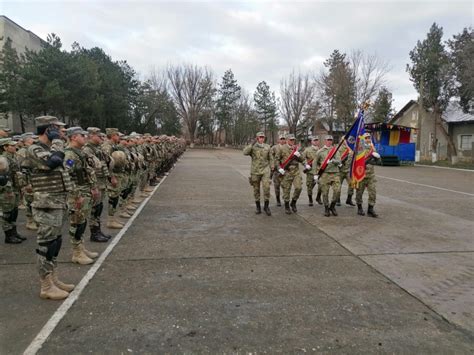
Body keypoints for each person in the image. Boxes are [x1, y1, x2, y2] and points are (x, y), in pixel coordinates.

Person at [27, 116, 74, 300]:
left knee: (56, 243)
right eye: (59, 130)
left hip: (57, 202)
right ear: (49, 130)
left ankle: (53, 278)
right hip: (45, 204)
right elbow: (52, 162)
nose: (63, 133)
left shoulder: (54, 148)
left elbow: (66, 165)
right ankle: (46, 285)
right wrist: (57, 142)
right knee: (46, 245)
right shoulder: (33, 149)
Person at [64, 127, 101, 265]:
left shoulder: (78, 153)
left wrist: (92, 187)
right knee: (76, 223)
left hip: (84, 191)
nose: (85, 137)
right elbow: (66, 176)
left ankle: (81, 248)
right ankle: (76, 253)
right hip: (77, 193)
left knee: (82, 221)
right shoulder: (69, 155)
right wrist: (77, 195)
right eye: (82, 135)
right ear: (73, 137)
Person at [83, 127, 112, 242]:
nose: (101, 137)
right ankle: (94, 233)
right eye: (98, 135)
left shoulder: (97, 148)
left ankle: (97, 231)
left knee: (99, 207)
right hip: (95, 182)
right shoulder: (87, 150)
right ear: (90, 136)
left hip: (101, 181)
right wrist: (92, 186)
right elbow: (88, 169)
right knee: (95, 208)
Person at [0, 138, 25, 243]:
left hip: (15, 188)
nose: (15, 147)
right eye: (12, 145)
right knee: (7, 213)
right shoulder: (2, 159)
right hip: (6, 189)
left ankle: (14, 233)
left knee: (14, 211)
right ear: (5, 147)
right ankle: (8, 236)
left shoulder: (14, 157)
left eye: (15, 145)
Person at [243, 132, 273, 216]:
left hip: (265, 170)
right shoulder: (253, 147)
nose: (261, 138)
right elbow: (245, 152)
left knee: (266, 188)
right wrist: (252, 143)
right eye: (260, 137)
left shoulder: (267, 146)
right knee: (256, 189)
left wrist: (272, 166)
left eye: (263, 137)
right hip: (255, 171)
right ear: (257, 138)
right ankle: (258, 207)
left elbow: (271, 158)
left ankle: (266, 206)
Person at [314, 135, 342, 217]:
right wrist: (315, 174)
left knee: (337, 191)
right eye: (328, 140)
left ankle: (332, 206)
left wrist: (333, 161)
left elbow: (339, 161)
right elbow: (315, 163)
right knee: (325, 192)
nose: (329, 141)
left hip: (335, 173)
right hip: (325, 174)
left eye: (331, 140)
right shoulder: (320, 151)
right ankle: (326, 207)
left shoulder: (335, 151)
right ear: (325, 141)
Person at [275, 134, 303, 214]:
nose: (292, 141)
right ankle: (287, 206)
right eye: (290, 140)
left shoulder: (296, 148)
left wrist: (300, 156)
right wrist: (279, 168)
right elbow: (277, 159)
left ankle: (293, 202)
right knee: (286, 190)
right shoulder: (282, 148)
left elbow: (302, 159)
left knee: (299, 187)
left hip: (296, 171)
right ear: (287, 140)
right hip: (286, 171)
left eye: (293, 140)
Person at [356, 132, 381, 217]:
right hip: (361, 175)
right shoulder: (360, 149)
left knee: (373, 192)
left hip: (371, 175)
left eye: (369, 138)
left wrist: (376, 158)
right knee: (359, 192)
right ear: (363, 139)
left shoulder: (373, 149)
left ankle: (370, 209)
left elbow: (378, 162)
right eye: (366, 138)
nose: (368, 139)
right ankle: (359, 208)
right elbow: (356, 161)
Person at [336, 140, 355, 206]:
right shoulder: (338, 148)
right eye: (343, 140)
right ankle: (337, 200)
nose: (345, 141)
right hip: (340, 170)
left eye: (346, 140)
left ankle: (349, 199)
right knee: (338, 186)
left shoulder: (351, 148)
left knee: (352, 184)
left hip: (348, 170)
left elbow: (353, 157)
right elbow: (335, 158)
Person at [302, 136, 320, 206]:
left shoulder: (321, 150)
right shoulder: (307, 150)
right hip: (310, 171)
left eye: (317, 140)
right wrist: (306, 165)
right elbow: (302, 158)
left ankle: (318, 197)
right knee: (309, 186)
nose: (316, 142)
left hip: (318, 171)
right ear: (311, 142)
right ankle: (310, 199)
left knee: (322, 185)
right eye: (314, 140)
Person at [270, 134, 286, 207]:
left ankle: (286, 198)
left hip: (285, 170)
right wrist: (272, 166)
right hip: (277, 170)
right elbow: (271, 157)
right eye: (281, 139)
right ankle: (278, 200)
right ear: (278, 140)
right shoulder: (274, 148)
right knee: (277, 186)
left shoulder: (287, 147)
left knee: (285, 186)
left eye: (283, 139)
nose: (282, 140)